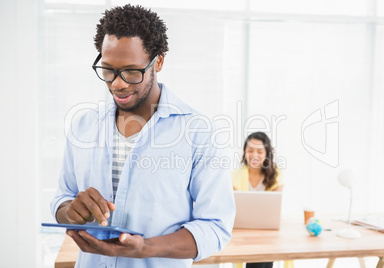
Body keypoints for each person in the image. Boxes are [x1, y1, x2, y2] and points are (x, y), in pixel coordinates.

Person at [50, 4, 235, 268]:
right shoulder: (84, 126)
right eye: (108, 70)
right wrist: (70, 211)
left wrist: (145, 248)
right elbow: (61, 199)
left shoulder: (199, 133)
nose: (118, 83)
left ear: (158, 62)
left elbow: (215, 227)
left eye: (131, 71)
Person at [232, 132, 284, 268]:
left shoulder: (277, 174)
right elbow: (233, 209)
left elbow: (274, 211)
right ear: (244, 152)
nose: (254, 155)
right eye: (250, 151)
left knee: (263, 255)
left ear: (267, 153)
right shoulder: (234, 176)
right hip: (242, 232)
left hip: (267, 233)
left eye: (260, 151)